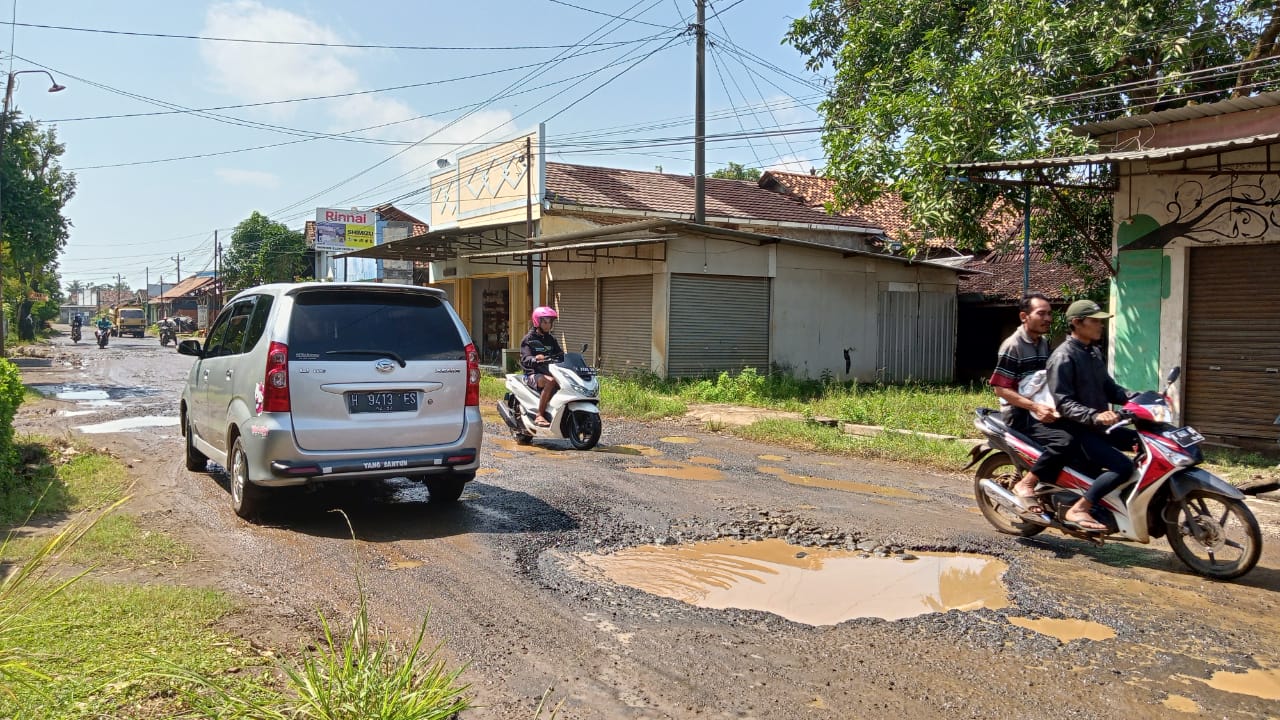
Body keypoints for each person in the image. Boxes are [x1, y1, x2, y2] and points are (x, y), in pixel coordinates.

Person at [1046, 299, 1138, 532]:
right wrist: (1095, 415)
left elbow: (1110, 388)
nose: (1101, 325)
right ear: (1077, 323)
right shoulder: (1063, 357)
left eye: (1101, 321)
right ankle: (1080, 507)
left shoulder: (1093, 352)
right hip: (1077, 430)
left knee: (1142, 442)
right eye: (1095, 321)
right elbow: (1064, 403)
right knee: (1123, 467)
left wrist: (1138, 398)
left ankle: (1122, 500)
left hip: (1098, 427)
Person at [988, 293, 1075, 515]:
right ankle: (1026, 483)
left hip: (1040, 407)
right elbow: (1000, 388)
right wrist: (1035, 407)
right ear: (1024, 316)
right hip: (1019, 413)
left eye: (1049, 313)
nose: (1048, 318)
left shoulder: (1043, 343)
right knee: (1063, 441)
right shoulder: (1013, 346)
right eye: (1041, 313)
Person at [520, 306, 564, 427]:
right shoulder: (528, 339)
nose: (547, 325)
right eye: (545, 321)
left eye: (550, 322)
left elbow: (560, 355)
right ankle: (539, 415)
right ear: (537, 322)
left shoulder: (551, 339)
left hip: (550, 372)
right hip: (532, 374)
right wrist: (535, 358)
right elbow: (525, 359)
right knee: (550, 382)